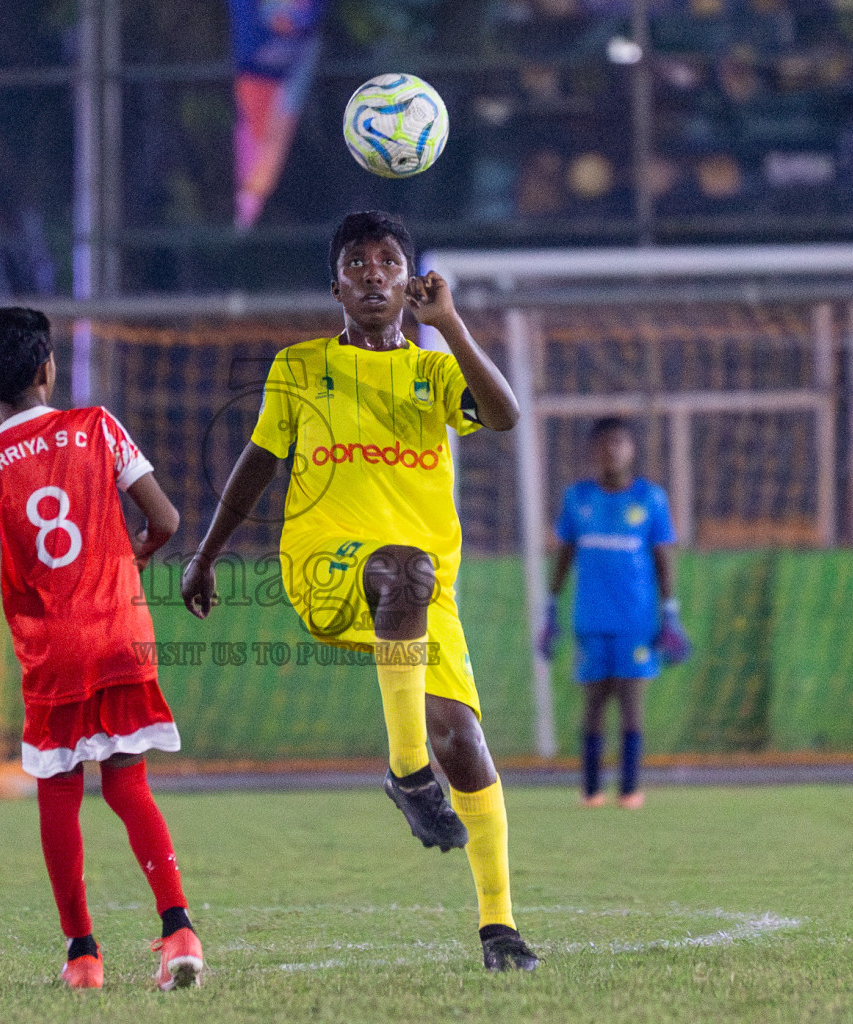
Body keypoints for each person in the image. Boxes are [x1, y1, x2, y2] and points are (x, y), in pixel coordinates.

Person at [180, 210, 540, 972]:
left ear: (409, 281)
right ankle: (407, 774)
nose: (373, 272)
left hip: (422, 587)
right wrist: (206, 554)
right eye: (357, 262)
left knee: (466, 746)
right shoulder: (300, 366)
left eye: (388, 261)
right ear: (335, 284)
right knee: (404, 567)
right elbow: (255, 464)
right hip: (324, 562)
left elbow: (505, 414)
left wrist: (452, 326)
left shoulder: (438, 370)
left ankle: (499, 927)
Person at [0, 306, 202, 991]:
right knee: (127, 783)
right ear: (46, 368)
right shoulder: (99, 427)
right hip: (121, 635)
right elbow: (167, 520)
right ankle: (178, 930)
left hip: (52, 652)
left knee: (58, 792)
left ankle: (83, 954)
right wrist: (132, 557)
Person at [537, 417, 691, 809]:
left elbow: (663, 558)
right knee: (592, 706)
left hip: (637, 623)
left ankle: (630, 789)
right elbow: (565, 555)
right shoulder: (577, 498)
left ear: (631, 449)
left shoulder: (651, 499)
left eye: (619, 443)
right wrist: (551, 609)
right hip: (590, 620)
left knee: (632, 706)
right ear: (593, 451)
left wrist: (670, 613)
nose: (611, 451)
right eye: (603, 444)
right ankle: (590, 789)